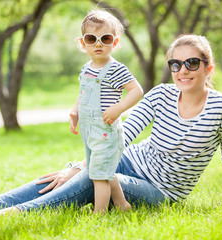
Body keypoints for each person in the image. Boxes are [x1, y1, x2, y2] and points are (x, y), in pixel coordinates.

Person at [0, 33, 222, 222]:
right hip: (127, 160)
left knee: (92, 177)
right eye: (175, 64)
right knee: (69, 174)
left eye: (191, 63)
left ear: (208, 68)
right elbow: (124, 133)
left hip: (159, 189)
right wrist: (77, 165)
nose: (182, 70)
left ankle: (10, 215)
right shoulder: (160, 94)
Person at [69, 10, 143, 213]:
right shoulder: (86, 68)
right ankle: (122, 205)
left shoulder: (116, 69)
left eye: (105, 38)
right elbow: (83, 92)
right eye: (92, 38)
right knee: (102, 169)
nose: (98, 43)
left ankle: (99, 214)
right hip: (89, 131)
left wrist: (118, 109)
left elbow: (137, 90)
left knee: (99, 175)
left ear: (115, 42)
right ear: (83, 43)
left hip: (106, 131)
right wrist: (75, 111)